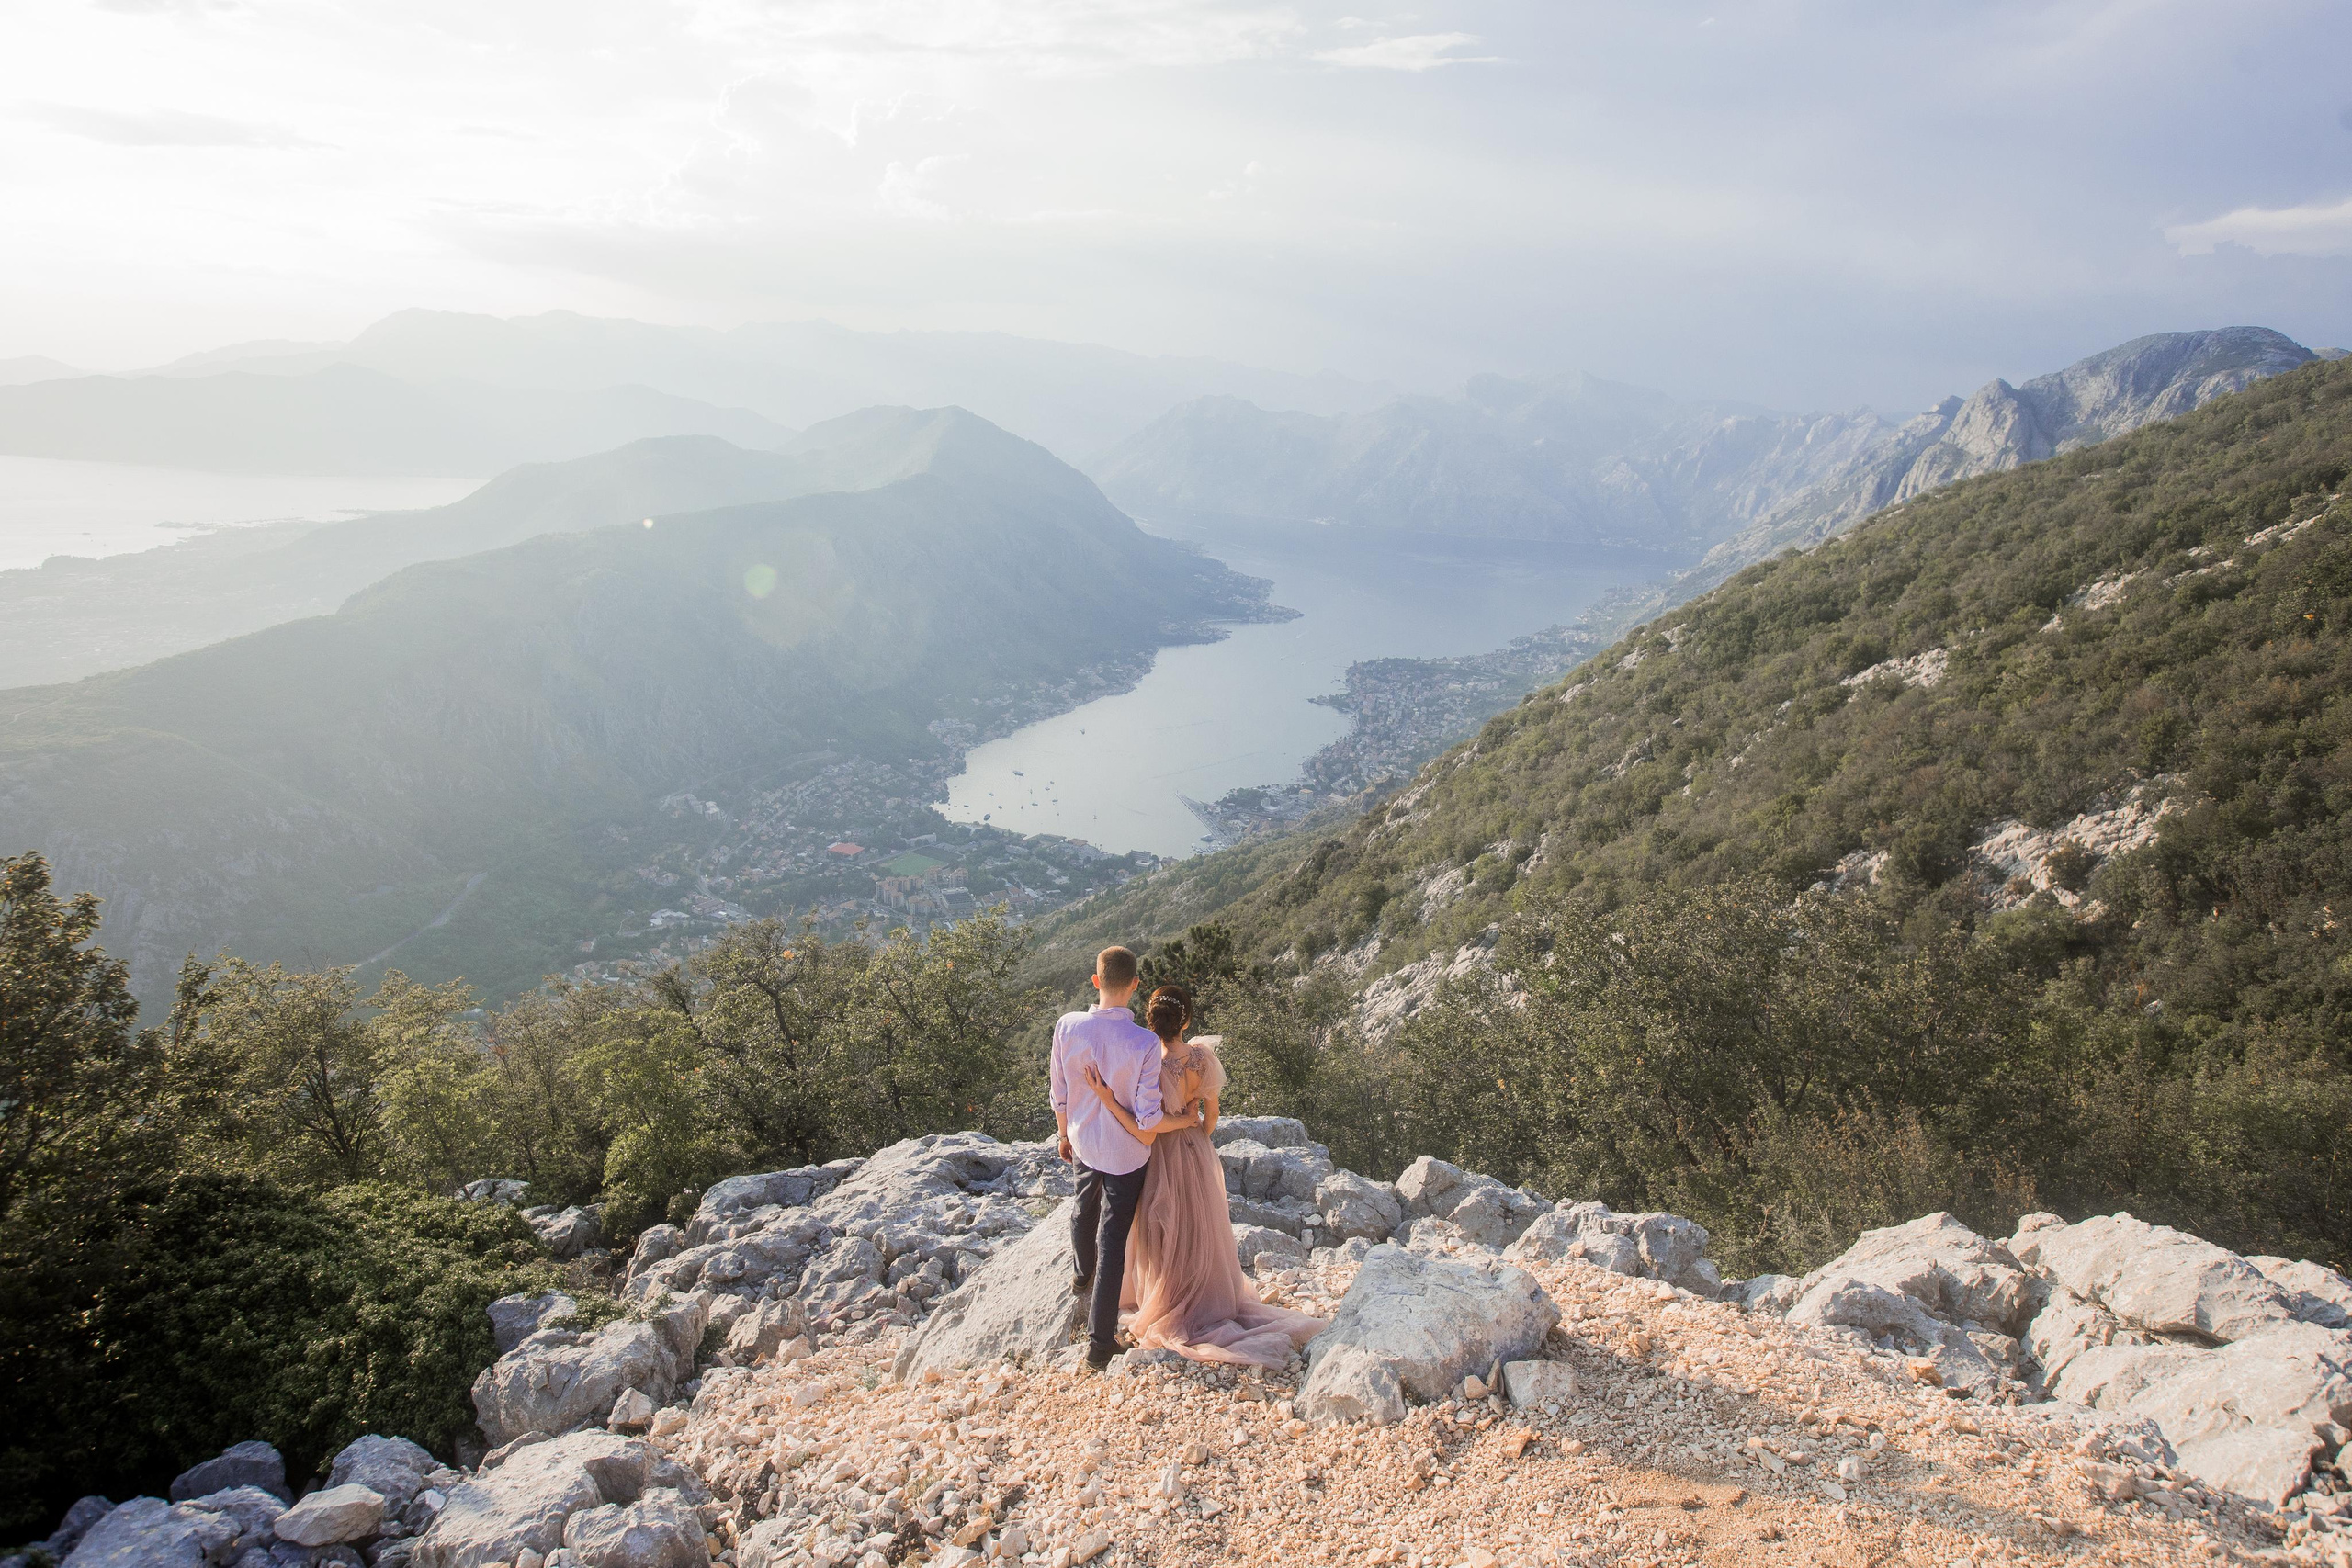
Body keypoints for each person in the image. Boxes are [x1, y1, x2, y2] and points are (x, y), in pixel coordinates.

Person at [1080, 984, 1327, 1367]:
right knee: (1198, 1226)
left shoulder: (1144, 1058)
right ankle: (1205, 1297)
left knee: (1160, 1229)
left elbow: (1141, 1122)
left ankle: (1163, 1298)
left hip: (1156, 1151)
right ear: (1187, 1021)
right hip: (1195, 1149)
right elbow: (1210, 1117)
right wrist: (1195, 1143)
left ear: (1150, 1019)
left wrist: (1108, 1099)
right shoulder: (1201, 1058)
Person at [1048, 944, 1179, 1371]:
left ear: (1095, 980)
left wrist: (1063, 1133)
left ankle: (1081, 1273)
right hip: (1128, 1154)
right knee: (1114, 1242)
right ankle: (1100, 1345)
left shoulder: (1068, 1026)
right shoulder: (1143, 1043)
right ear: (1136, 986)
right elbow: (1147, 1117)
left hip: (1084, 1141)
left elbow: (1059, 1090)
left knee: (1082, 1207)